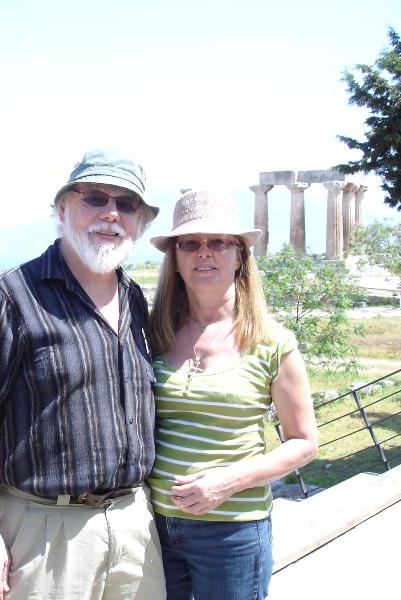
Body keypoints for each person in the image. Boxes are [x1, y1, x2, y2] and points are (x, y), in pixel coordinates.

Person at [0, 148, 167, 600]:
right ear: (62, 209)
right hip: (46, 531)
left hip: (134, 525)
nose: (111, 213)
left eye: (127, 204)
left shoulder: (135, 299)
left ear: (141, 222)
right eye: (94, 198)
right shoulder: (11, 297)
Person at [146, 190, 319, 600]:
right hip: (154, 528)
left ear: (240, 256)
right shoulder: (153, 334)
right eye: (190, 243)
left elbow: (304, 442)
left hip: (232, 533)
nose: (204, 252)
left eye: (219, 242)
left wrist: (228, 481)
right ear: (175, 258)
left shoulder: (272, 342)